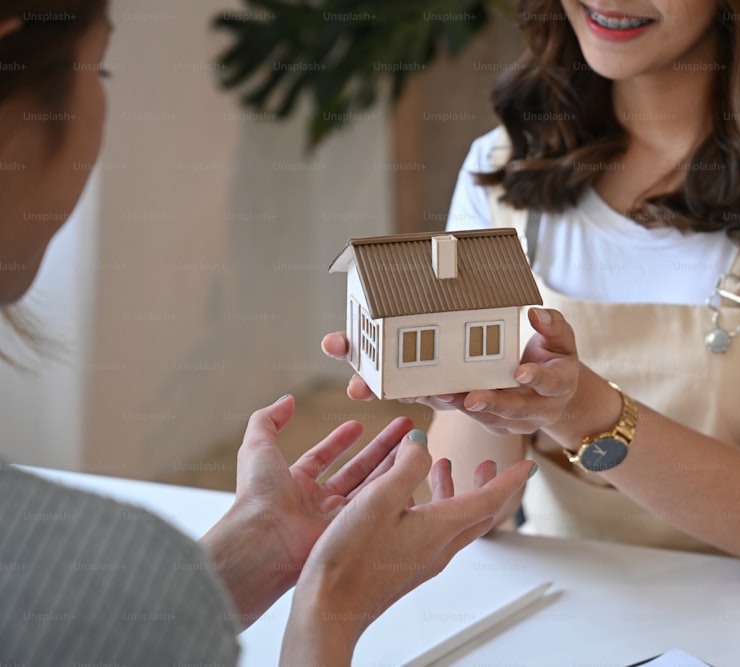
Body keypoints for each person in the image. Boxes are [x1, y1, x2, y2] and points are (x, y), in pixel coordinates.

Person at [0, 2, 535, 664]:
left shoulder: (98, 572)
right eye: (100, 67)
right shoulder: (104, 560)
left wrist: (247, 554)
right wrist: (330, 604)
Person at [324, 0, 740, 578]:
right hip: (583, 605)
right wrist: (457, 387)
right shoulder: (505, 170)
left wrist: (579, 405)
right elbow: (478, 511)